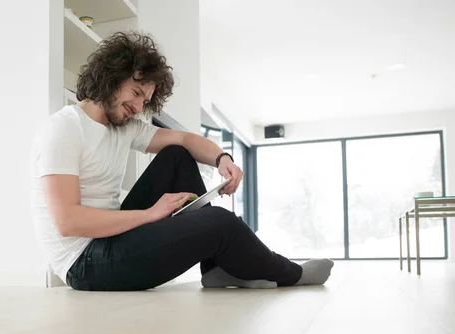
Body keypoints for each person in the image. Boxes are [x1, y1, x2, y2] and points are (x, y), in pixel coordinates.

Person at [31, 31, 333, 291]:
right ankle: (291, 274)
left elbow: (186, 140)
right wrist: (152, 213)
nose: (138, 107)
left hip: (112, 240)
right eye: (136, 93)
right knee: (220, 222)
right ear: (111, 76)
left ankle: (216, 269)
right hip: (84, 263)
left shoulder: (123, 126)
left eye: (145, 101)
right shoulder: (65, 128)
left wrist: (222, 158)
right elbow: (67, 222)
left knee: (176, 155)